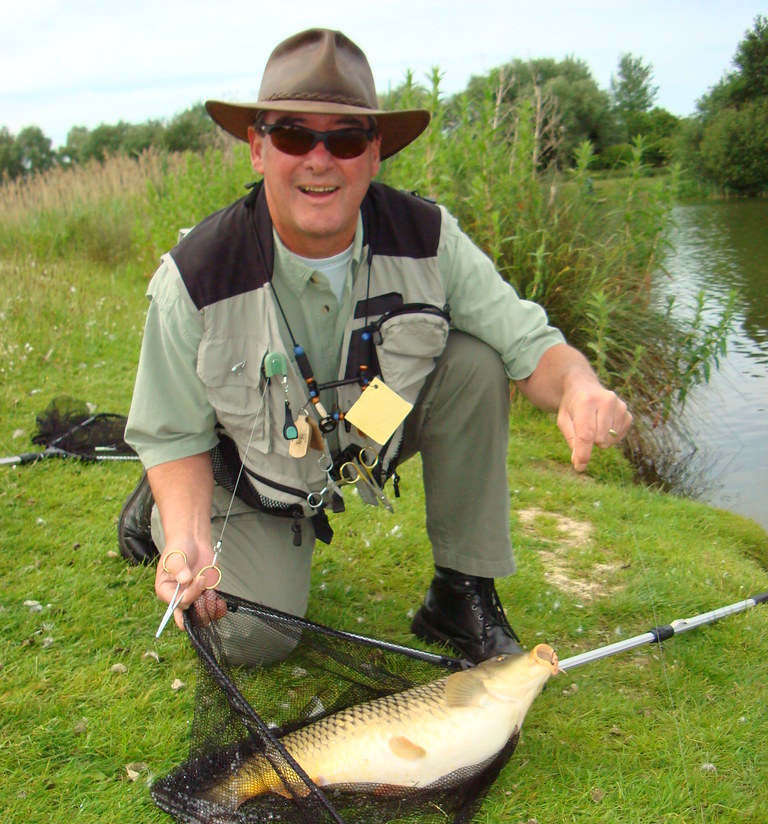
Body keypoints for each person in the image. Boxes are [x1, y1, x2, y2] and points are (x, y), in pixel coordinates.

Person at [120, 27, 632, 665]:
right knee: (253, 637)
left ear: (375, 152)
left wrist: (580, 387)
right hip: (248, 468)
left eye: (345, 138)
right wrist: (188, 539)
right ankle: (159, 514)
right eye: (293, 135)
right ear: (257, 148)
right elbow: (172, 437)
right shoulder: (196, 274)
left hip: (364, 427)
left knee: (474, 361)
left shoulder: (429, 238)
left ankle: (460, 592)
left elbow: (532, 345)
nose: (319, 159)